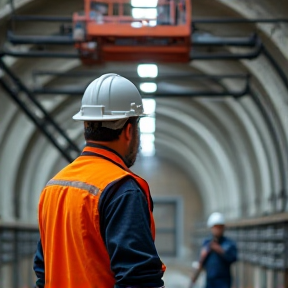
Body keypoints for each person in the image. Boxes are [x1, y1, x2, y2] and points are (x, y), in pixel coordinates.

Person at [33, 73, 166, 288]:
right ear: (130, 131)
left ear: (86, 125)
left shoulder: (53, 188)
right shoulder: (122, 189)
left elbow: (43, 272)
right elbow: (138, 278)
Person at [191, 212, 237, 288]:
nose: (217, 230)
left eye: (219, 227)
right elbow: (201, 262)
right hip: (210, 281)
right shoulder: (206, 243)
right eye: (215, 227)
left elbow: (233, 257)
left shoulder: (228, 243)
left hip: (223, 282)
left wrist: (218, 249)